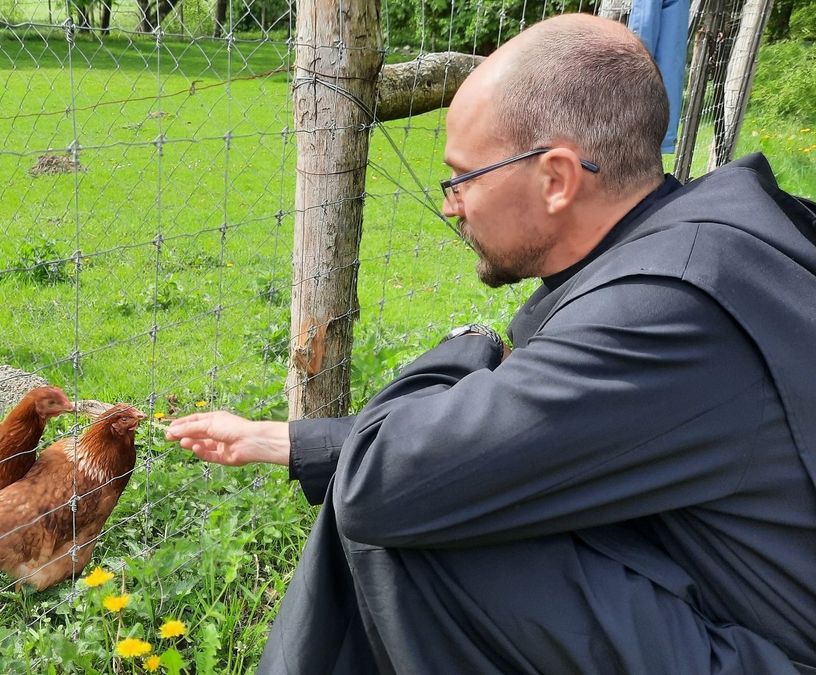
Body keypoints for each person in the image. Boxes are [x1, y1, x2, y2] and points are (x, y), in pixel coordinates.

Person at [166, 13, 816, 675]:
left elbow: (383, 485)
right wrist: (296, 441)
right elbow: (514, 445)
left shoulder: (660, 311)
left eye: (464, 177)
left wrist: (469, 345)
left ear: (557, 178)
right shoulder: (706, 236)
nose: (451, 204)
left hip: (773, 654)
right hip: (748, 609)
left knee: (413, 532)